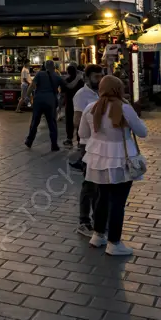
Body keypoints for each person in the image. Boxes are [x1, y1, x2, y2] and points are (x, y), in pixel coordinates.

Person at [79, 75, 147, 256]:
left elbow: (82, 134)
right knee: (118, 202)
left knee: (101, 197)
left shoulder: (90, 108)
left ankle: (98, 235)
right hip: (122, 160)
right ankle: (114, 243)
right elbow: (142, 133)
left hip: (97, 159)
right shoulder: (125, 108)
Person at [72, 65, 103, 235]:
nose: (99, 80)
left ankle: (99, 218)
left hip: (101, 144)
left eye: (101, 77)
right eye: (96, 77)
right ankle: (84, 221)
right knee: (90, 183)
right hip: (87, 144)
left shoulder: (102, 93)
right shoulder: (81, 95)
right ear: (87, 78)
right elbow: (77, 121)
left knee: (101, 185)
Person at [24, 60, 63, 152]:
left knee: (35, 121)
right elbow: (64, 88)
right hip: (51, 101)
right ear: (54, 67)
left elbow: (32, 86)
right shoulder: (57, 76)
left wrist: (27, 96)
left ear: (45, 66)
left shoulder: (40, 74)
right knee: (52, 123)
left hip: (39, 101)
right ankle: (54, 145)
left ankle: (29, 141)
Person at [62, 63, 85, 148]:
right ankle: (79, 140)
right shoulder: (81, 81)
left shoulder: (67, 80)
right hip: (79, 103)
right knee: (80, 121)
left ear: (68, 72)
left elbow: (63, 92)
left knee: (69, 121)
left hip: (69, 103)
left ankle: (69, 139)